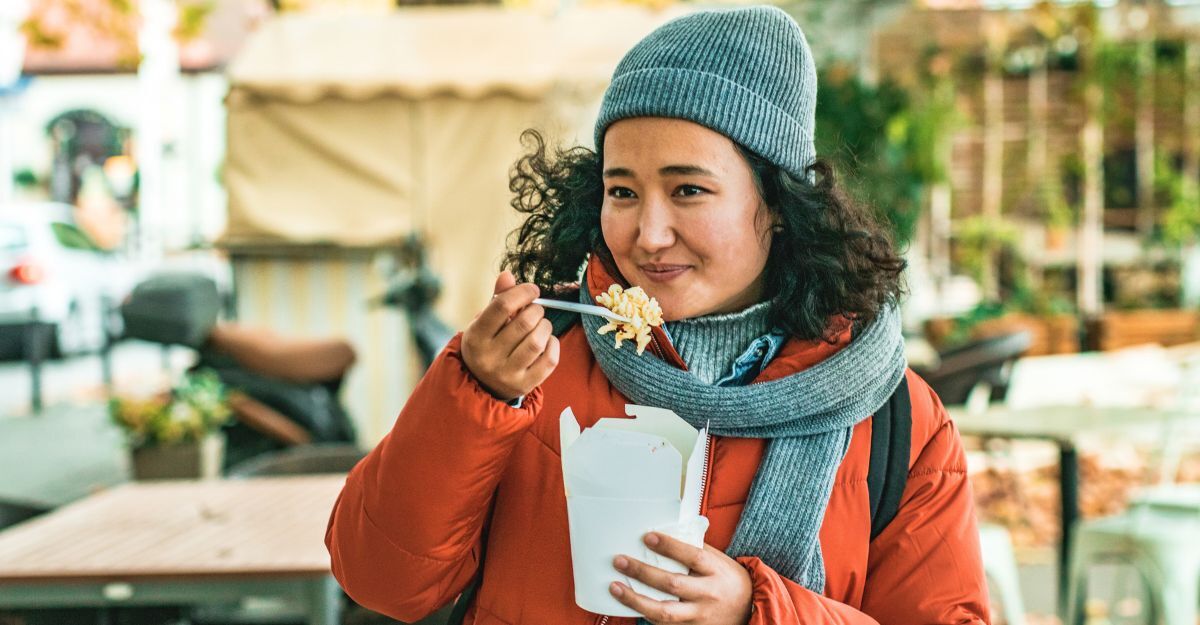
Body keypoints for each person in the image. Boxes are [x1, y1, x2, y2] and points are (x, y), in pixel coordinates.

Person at [326, 6, 990, 625]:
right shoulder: (532, 364)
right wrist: (474, 393)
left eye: (688, 190)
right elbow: (380, 577)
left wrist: (754, 608)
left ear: (780, 203)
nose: (648, 233)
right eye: (622, 191)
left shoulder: (898, 419)